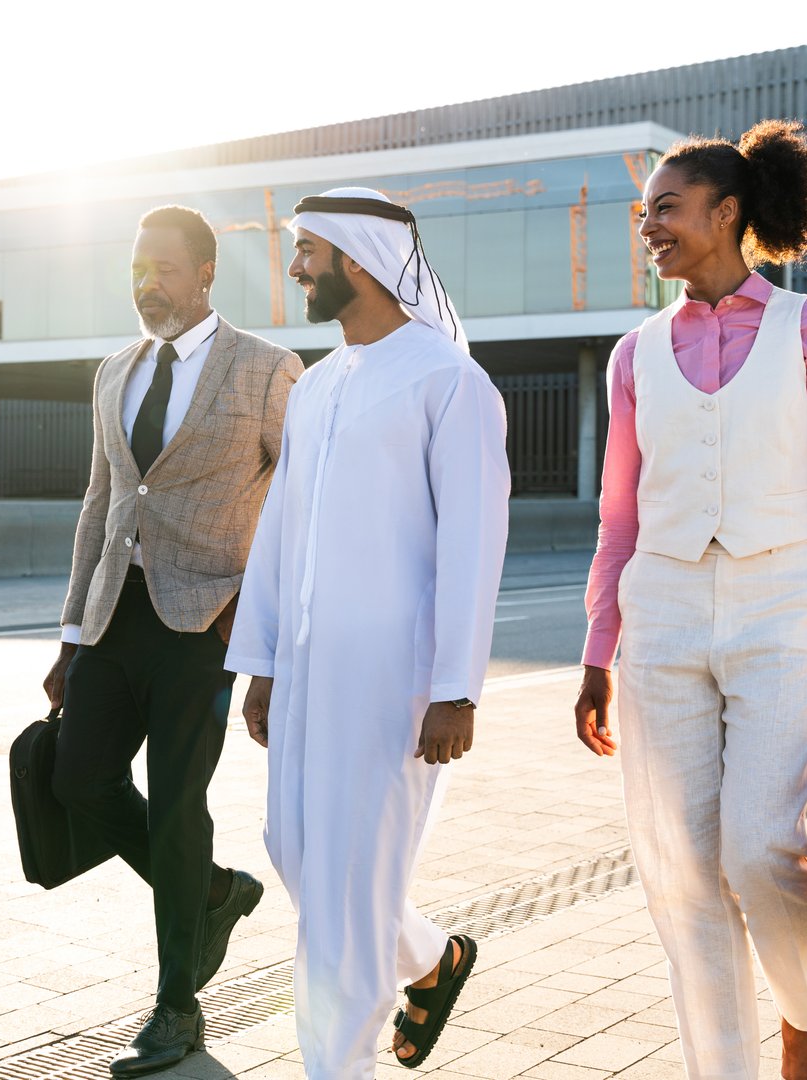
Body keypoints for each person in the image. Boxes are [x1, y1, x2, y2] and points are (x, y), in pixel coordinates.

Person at [573, 120, 807, 1080]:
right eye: (644, 212)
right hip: (662, 615)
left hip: (778, 608)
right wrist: (596, 652)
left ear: (726, 213)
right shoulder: (633, 353)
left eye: (666, 208)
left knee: (758, 848)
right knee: (680, 868)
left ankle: (802, 1010)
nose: (649, 225)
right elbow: (618, 515)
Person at [226, 187, 511, 1076]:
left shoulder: (447, 380)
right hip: (306, 671)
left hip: (396, 681)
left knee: (347, 897)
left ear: (357, 256)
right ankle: (430, 957)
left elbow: (472, 542)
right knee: (294, 851)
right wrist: (262, 662)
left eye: (307, 250)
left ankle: (336, 1064)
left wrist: (457, 688)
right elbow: (279, 531)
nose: (295, 267)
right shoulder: (317, 385)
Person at [44, 205, 303, 1076]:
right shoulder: (114, 369)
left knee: (178, 805)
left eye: (162, 268)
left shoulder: (266, 369)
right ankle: (216, 892)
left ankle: (176, 1007)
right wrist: (71, 634)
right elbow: (101, 501)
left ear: (203, 274)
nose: (146, 283)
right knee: (77, 778)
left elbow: (298, 505)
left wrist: (259, 623)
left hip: (206, 624)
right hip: (113, 617)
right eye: (136, 268)